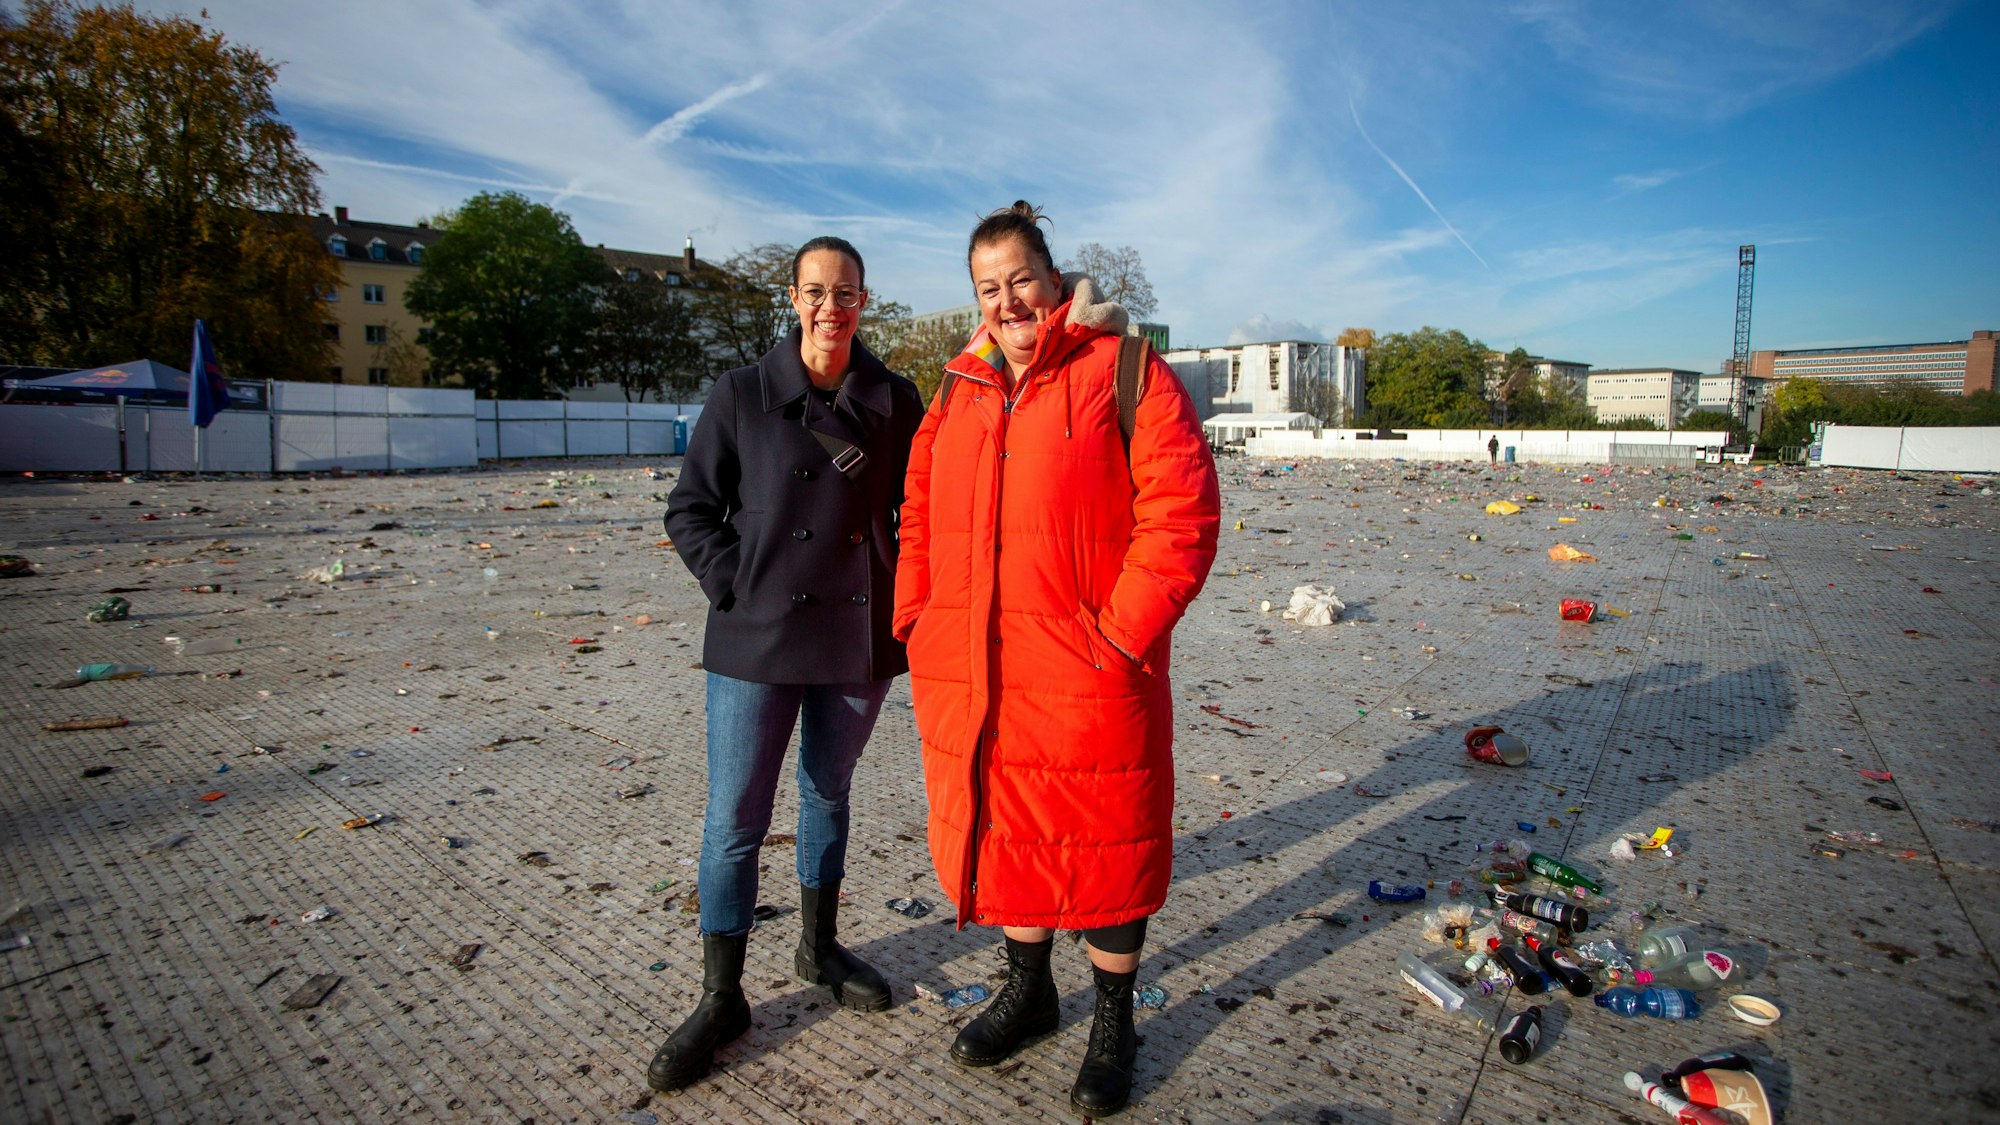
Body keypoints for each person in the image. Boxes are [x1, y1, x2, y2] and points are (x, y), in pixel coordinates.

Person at [892, 202, 1220, 1116]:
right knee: (1006, 828)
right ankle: (1029, 989)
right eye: (987, 288)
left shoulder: (1123, 371)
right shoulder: (960, 387)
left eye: (1021, 279)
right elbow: (916, 508)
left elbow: (1182, 518)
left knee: (1107, 842)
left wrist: (1116, 637)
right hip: (975, 667)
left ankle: (1114, 1016)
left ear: (1054, 277)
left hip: (1087, 668)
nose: (1008, 301)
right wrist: (918, 614)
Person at [650, 236, 925, 1092]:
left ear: (864, 302)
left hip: (855, 635)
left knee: (828, 791)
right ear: (794, 298)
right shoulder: (740, 394)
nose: (830, 307)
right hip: (757, 639)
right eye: (815, 291)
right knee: (734, 816)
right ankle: (722, 993)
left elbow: (922, 509)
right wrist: (740, 583)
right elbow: (691, 509)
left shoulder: (895, 398)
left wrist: (904, 598)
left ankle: (818, 945)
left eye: (846, 293)